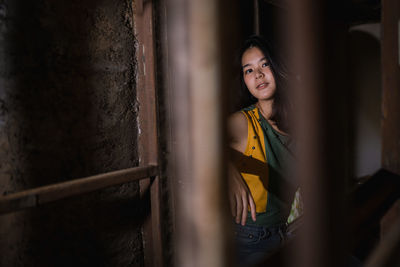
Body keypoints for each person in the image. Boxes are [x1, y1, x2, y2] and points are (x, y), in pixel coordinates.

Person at [228, 35, 301, 266]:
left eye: (264, 64)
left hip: (288, 233)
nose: (257, 74)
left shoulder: (302, 121)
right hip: (251, 239)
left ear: (278, 67)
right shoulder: (243, 122)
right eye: (248, 70)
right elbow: (190, 141)